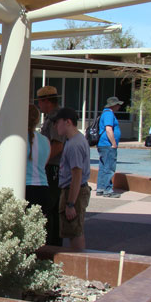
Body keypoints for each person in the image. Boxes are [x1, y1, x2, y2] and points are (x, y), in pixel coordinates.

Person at [53, 107, 91, 251]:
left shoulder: (75, 144)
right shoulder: (75, 140)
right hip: (73, 190)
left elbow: (77, 175)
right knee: (73, 231)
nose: (55, 126)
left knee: (75, 232)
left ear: (68, 122)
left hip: (74, 191)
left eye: (57, 122)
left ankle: (78, 263)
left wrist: (70, 204)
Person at [36, 85, 65, 246]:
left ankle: (52, 245)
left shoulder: (55, 118)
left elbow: (57, 145)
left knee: (50, 207)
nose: (39, 105)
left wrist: (42, 162)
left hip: (53, 168)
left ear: (46, 101)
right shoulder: (52, 117)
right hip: (53, 167)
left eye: (39, 101)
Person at [24, 105, 52, 244]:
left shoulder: (18, 140)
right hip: (43, 188)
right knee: (39, 232)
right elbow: (44, 163)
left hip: (24, 188)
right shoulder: (45, 141)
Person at [96, 96, 123, 198]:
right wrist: (113, 143)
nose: (119, 107)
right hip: (107, 144)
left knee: (103, 166)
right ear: (113, 105)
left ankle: (101, 188)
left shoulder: (105, 113)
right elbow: (108, 129)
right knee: (109, 167)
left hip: (103, 144)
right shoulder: (108, 114)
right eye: (117, 105)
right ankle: (107, 189)